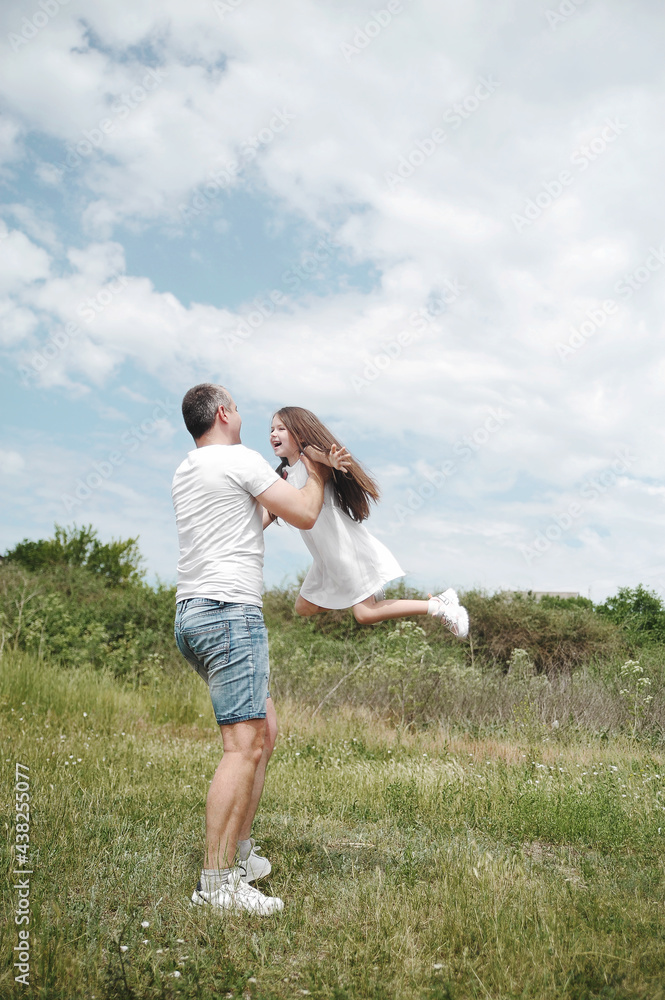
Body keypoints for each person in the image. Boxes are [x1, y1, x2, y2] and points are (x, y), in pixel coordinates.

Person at [172, 384, 329, 916]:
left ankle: (239, 854)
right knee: (242, 748)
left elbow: (245, 523)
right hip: (228, 613)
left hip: (192, 614)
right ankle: (218, 886)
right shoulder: (239, 459)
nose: (242, 415)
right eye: (237, 407)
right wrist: (317, 472)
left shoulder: (189, 469)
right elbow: (306, 513)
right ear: (222, 413)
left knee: (265, 731)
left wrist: (271, 504)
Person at [266, 406, 469, 635]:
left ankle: (438, 605)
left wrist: (331, 460)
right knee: (304, 606)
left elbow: (319, 454)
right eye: (271, 429)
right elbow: (268, 512)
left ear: (301, 435)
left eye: (281, 429)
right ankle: (369, 592)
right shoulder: (284, 476)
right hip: (325, 556)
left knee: (365, 614)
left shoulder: (309, 457)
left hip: (344, 546)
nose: (273, 434)